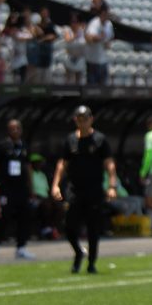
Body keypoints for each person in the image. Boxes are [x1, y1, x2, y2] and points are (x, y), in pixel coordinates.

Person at [51, 106, 118, 274]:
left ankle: (91, 263)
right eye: (79, 119)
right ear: (75, 120)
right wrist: (55, 185)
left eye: (85, 118)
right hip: (75, 190)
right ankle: (79, 252)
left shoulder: (100, 140)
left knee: (93, 228)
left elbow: (109, 164)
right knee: (69, 226)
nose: (82, 121)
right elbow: (62, 164)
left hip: (94, 190)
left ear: (91, 119)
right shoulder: (70, 140)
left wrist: (112, 186)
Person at [0, 118, 36, 260]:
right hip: (7, 187)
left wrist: (31, 187)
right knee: (4, 216)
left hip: (22, 188)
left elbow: (28, 167)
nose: (15, 131)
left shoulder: (24, 146)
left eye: (17, 128)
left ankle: (21, 247)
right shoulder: (2, 146)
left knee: (24, 217)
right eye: (12, 128)